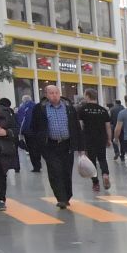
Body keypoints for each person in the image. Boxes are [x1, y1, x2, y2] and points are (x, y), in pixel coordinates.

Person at [26, 81, 78, 209]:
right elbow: (34, 126)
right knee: (55, 170)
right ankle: (60, 198)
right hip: (49, 145)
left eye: (56, 93)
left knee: (66, 171)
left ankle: (67, 195)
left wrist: (80, 147)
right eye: (51, 93)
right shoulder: (40, 108)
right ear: (46, 95)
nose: (54, 95)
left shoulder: (68, 107)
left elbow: (76, 126)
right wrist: (38, 142)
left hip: (66, 144)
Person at [77, 91, 115, 193]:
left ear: (87, 96)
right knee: (102, 158)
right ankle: (105, 174)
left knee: (92, 160)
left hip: (88, 138)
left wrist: (80, 140)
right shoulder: (103, 110)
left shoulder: (83, 109)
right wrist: (109, 139)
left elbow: (80, 126)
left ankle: (95, 183)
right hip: (101, 138)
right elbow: (108, 127)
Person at [16, 95, 42, 173]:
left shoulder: (22, 108)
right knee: (37, 148)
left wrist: (20, 134)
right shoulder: (37, 106)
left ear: (23, 100)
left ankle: (35, 166)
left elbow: (20, 120)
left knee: (31, 149)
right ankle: (39, 164)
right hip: (37, 131)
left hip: (27, 132)